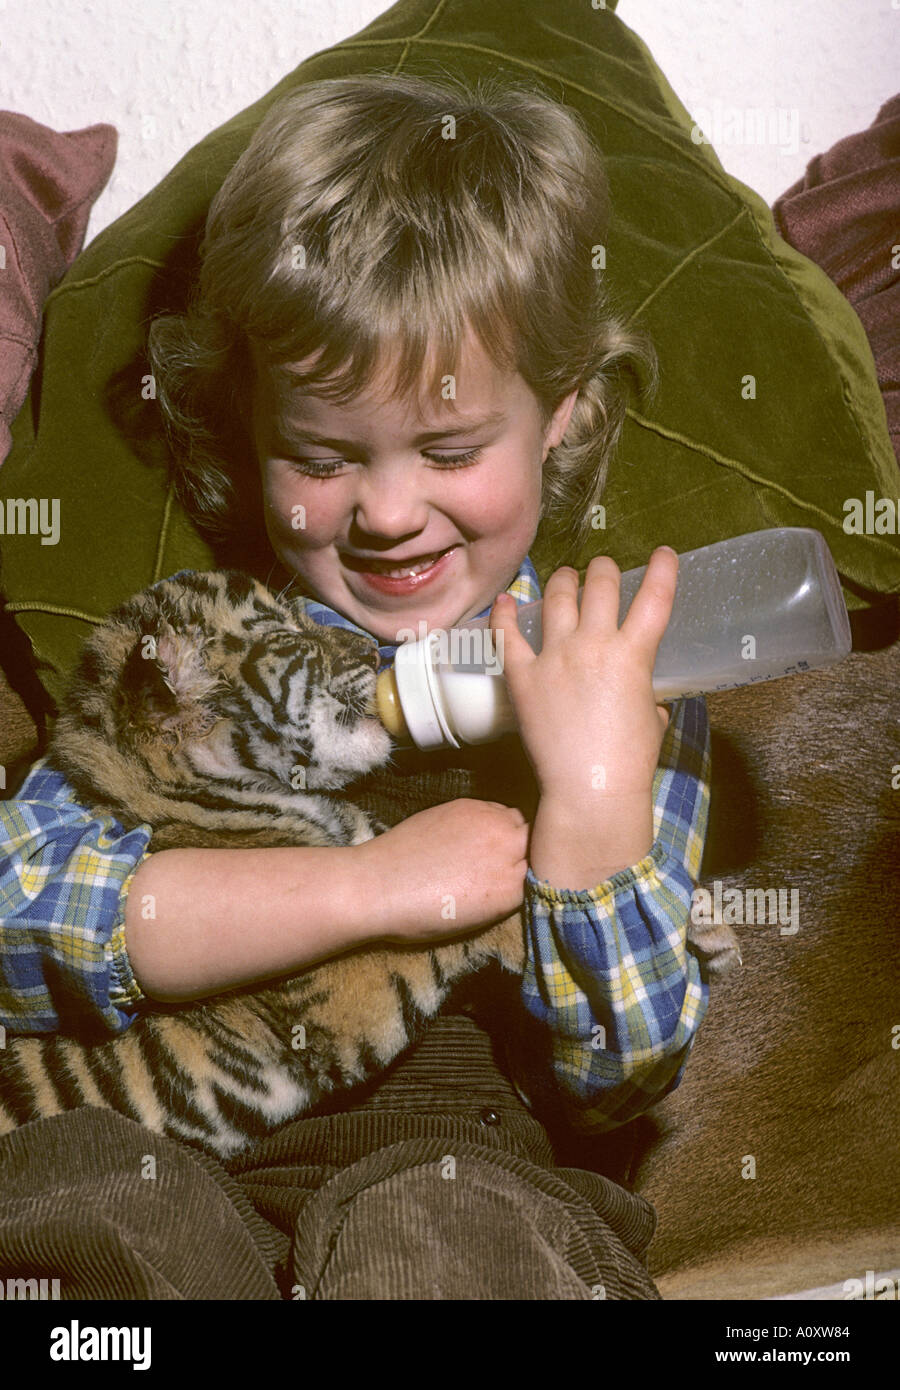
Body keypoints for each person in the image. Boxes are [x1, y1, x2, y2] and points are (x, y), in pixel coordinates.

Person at [0, 72, 713, 1300]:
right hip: (177, 1155)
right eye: (323, 458)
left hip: (473, 1175)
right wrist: (364, 888)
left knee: (440, 1240)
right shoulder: (198, 650)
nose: (386, 514)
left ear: (563, 416)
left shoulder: (617, 680)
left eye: (449, 451)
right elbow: (17, 919)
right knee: (75, 1192)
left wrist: (592, 804)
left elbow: (616, 1081)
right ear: (241, 425)